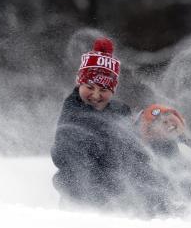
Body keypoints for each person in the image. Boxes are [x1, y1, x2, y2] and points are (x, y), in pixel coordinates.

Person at [50, 37, 168, 216]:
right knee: (78, 180)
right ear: (79, 82)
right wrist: (98, 200)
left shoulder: (120, 110)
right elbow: (74, 164)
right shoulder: (73, 117)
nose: (96, 95)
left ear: (112, 90)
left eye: (103, 90)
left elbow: (133, 149)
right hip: (87, 185)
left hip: (118, 177)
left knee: (154, 177)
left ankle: (170, 205)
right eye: (90, 87)